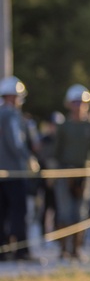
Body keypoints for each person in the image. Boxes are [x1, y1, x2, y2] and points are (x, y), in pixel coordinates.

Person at [52, 83, 90, 261]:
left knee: (80, 212)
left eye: (81, 102)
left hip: (85, 173)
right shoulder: (64, 126)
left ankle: (77, 249)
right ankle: (63, 249)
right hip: (65, 173)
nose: (78, 106)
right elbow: (56, 152)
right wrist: (55, 173)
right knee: (64, 211)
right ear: (69, 104)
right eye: (75, 102)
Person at [0, 76, 39, 261]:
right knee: (18, 214)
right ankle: (21, 251)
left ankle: (3, 251)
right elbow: (15, 142)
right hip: (14, 173)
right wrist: (28, 158)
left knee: (2, 214)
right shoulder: (12, 116)